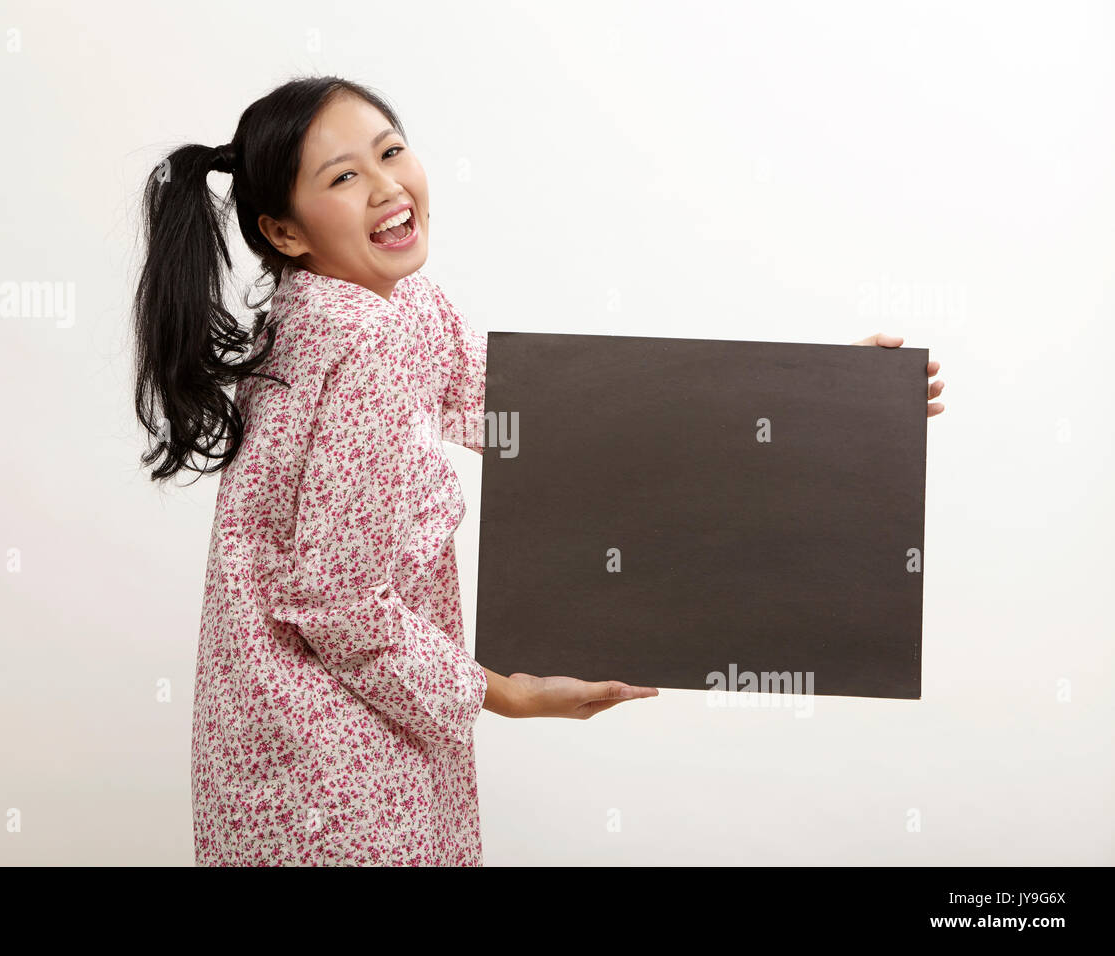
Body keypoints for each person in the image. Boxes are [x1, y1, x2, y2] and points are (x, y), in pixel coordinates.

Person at [131, 75, 946, 866]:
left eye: (391, 152)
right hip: (334, 761)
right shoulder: (368, 343)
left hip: (282, 745)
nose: (387, 186)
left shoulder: (376, 306)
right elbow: (338, 603)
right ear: (285, 232)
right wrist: (508, 693)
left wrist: (829, 402)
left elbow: (558, 418)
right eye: (344, 177)